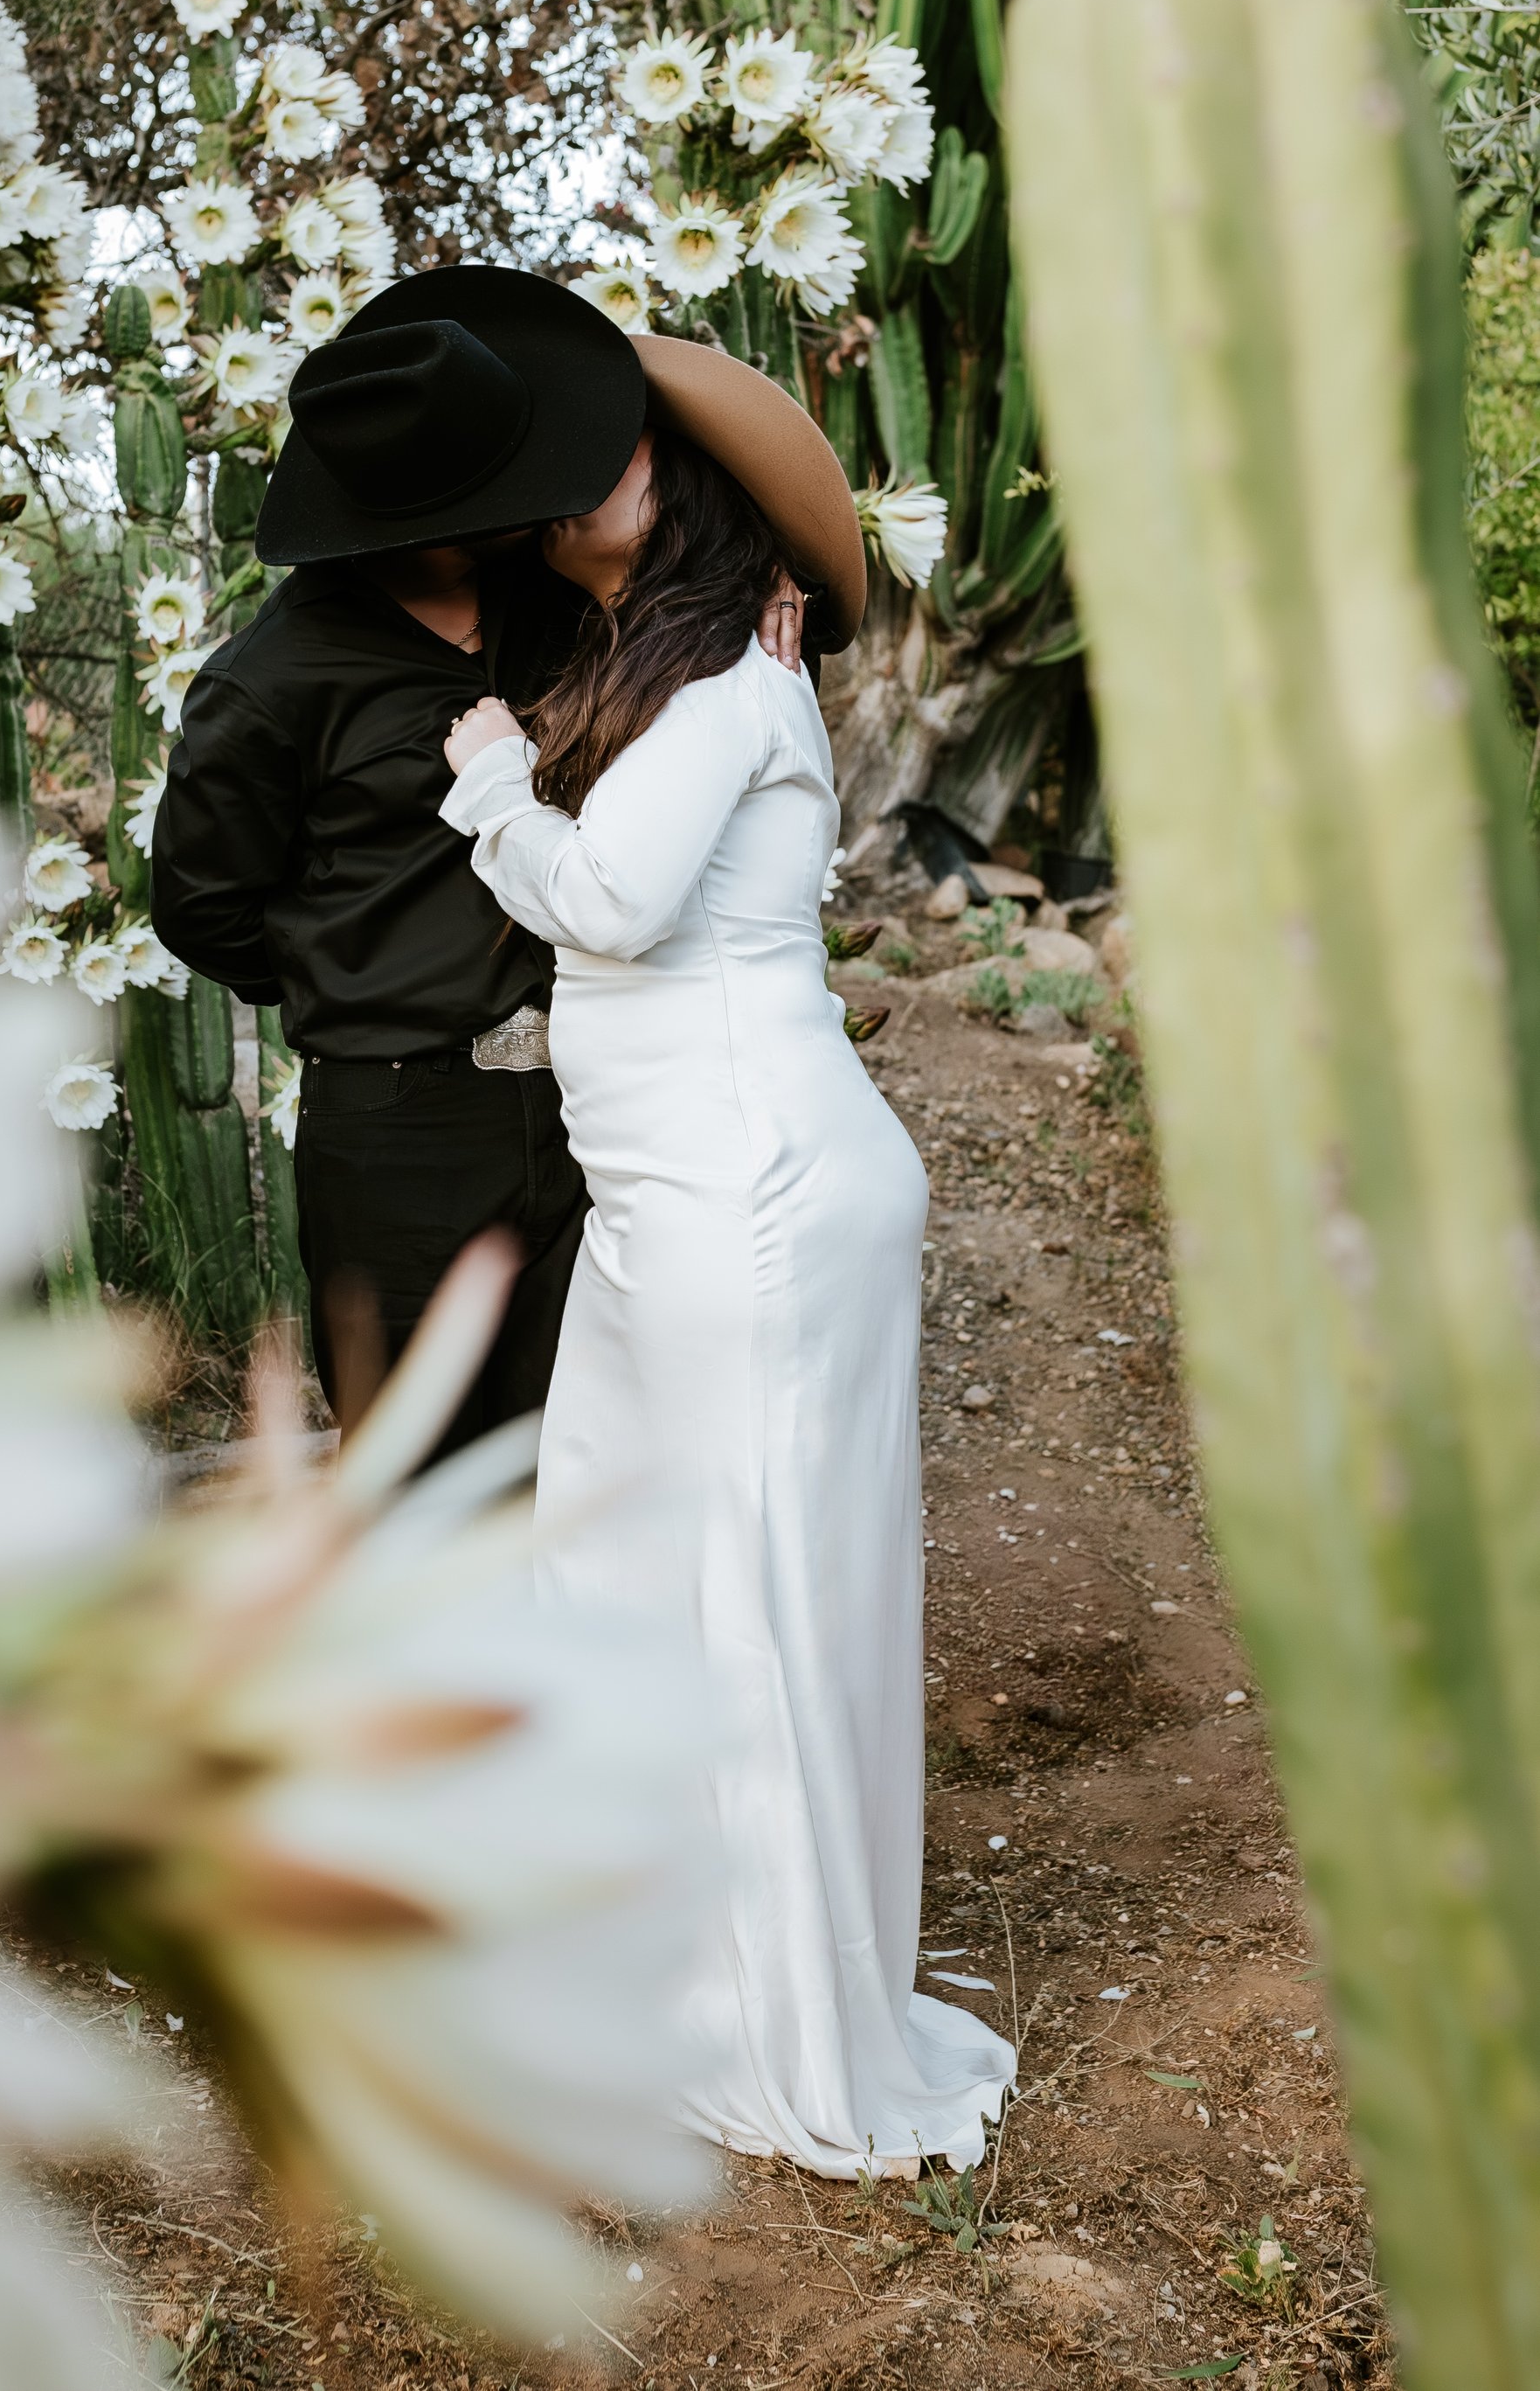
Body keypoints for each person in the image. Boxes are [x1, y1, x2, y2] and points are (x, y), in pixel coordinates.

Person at [438, 399, 1016, 2173]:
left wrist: (482, 789)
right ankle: (671, 1971)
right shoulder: (679, 679)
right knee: (630, 1570)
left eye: (599, 461)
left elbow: (606, 904)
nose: (558, 495)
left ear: (679, 489)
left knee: (741, 1591)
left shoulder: (730, 693)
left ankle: (775, 2027)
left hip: (748, 1194)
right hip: (672, 1197)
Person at [149, 268, 859, 1456]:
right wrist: (366, 972)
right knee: (420, 1482)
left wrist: (764, 577)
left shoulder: (567, 608)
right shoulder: (269, 684)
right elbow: (203, 910)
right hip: (399, 1134)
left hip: (598, 1109)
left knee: (594, 1465)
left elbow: (698, 693)